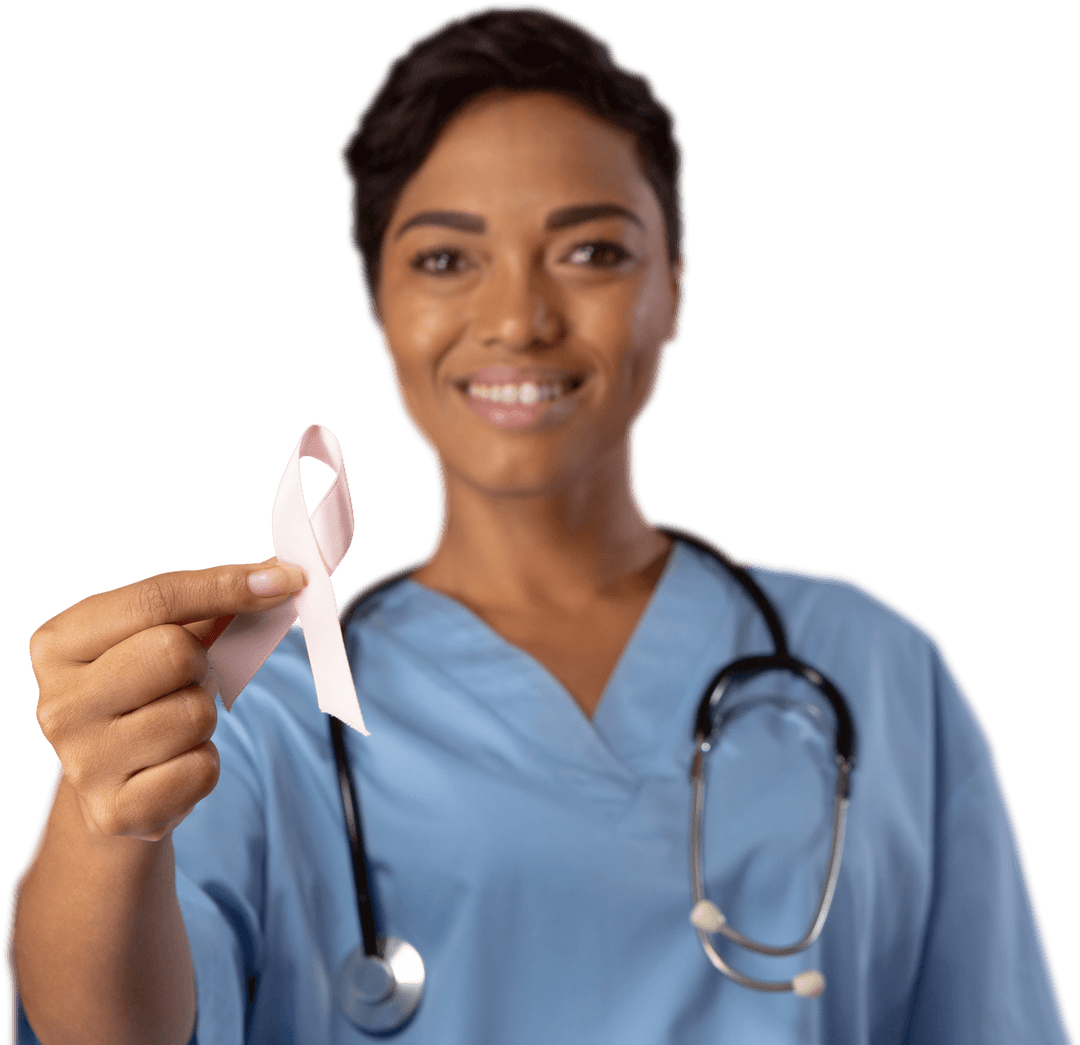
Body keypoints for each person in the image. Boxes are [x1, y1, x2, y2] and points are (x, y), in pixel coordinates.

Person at [6, 6, 1074, 1044]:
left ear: (678, 290)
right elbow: (105, 1030)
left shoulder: (875, 668)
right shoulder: (260, 709)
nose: (518, 317)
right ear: (375, 304)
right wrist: (105, 813)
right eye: (443, 259)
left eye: (593, 252)